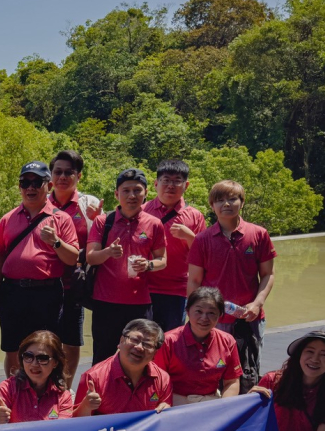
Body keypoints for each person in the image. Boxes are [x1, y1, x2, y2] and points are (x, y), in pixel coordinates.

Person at [0, 162, 79, 377]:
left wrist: (56, 242)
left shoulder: (61, 218)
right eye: (25, 182)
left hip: (46, 294)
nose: (30, 187)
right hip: (13, 292)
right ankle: (14, 392)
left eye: (37, 182)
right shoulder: (8, 218)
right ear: (19, 186)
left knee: (46, 349)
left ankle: (45, 393)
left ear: (48, 186)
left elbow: (72, 259)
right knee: (12, 349)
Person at [188, 180, 276, 392]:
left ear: (242, 202)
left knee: (249, 371)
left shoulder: (258, 234)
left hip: (250, 317)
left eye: (232, 199)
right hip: (214, 319)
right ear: (212, 206)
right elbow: (194, 281)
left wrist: (257, 303)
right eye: (219, 200)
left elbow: (268, 274)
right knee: (211, 372)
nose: (226, 204)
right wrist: (195, 314)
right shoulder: (202, 239)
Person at [86, 169, 168, 364]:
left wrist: (148, 264)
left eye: (137, 190)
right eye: (126, 190)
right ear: (117, 194)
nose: (132, 195)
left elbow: (162, 260)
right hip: (106, 302)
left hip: (139, 303)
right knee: (103, 358)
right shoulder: (103, 221)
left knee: (139, 357)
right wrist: (107, 252)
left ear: (146, 193)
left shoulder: (154, 224)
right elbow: (90, 258)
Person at [49, 150, 102, 388]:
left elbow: (102, 243)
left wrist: (98, 220)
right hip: (45, 284)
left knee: (71, 340)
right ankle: (44, 388)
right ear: (51, 175)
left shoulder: (88, 204)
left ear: (78, 176)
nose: (62, 177)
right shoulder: (40, 200)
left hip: (76, 284)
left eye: (69, 172)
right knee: (45, 339)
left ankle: (65, 389)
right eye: (58, 172)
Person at [0, 330, 74, 431]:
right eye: (28, 356)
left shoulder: (64, 396)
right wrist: (0, 420)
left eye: (42, 358)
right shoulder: (6, 388)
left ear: (55, 363)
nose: (34, 364)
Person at [142, 159, 207, 332]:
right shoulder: (142, 211)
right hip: (144, 288)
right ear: (156, 184)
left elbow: (205, 256)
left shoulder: (195, 216)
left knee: (171, 339)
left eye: (177, 181)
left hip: (178, 291)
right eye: (166, 180)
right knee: (143, 339)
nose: (171, 186)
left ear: (186, 185)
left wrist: (190, 237)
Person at [153, 287, 242, 405]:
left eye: (211, 313)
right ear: (188, 311)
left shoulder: (228, 341)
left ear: (220, 315)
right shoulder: (168, 341)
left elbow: (232, 382)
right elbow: (155, 381)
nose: (204, 318)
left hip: (211, 402)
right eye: (198, 311)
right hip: (173, 403)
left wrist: (224, 406)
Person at [75, 319, 173, 416]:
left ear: (155, 353)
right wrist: (86, 406)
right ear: (121, 340)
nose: (139, 347)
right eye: (135, 340)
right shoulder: (93, 377)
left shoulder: (162, 379)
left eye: (147, 344)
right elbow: (75, 421)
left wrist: (166, 409)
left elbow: (166, 413)